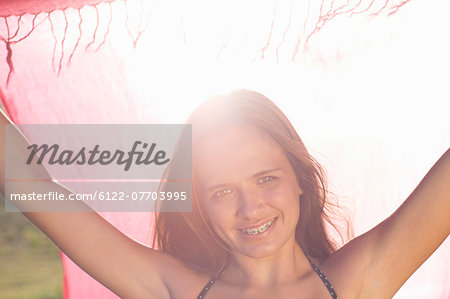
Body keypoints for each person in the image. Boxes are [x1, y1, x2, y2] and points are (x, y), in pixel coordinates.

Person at [0, 89, 449, 298]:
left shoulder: (357, 282)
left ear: (299, 180)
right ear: (199, 207)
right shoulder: (173, 289)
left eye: (266, 178)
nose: (250, 207)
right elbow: (32, 186)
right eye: (221, 191)